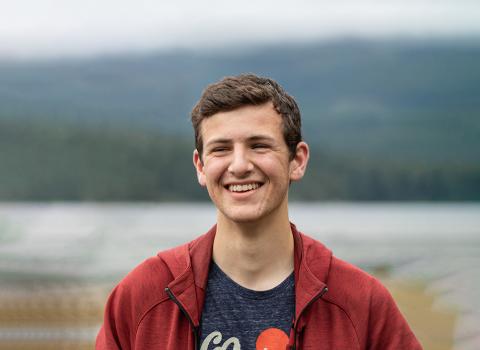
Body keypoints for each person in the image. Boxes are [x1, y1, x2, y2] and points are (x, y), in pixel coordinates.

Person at [96, 74, 422, 349]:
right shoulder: (143, 296)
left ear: (298, 160)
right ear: (200, 165)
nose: (239, 166)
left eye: (259, 145)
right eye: (221, 149)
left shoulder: (360, 302)